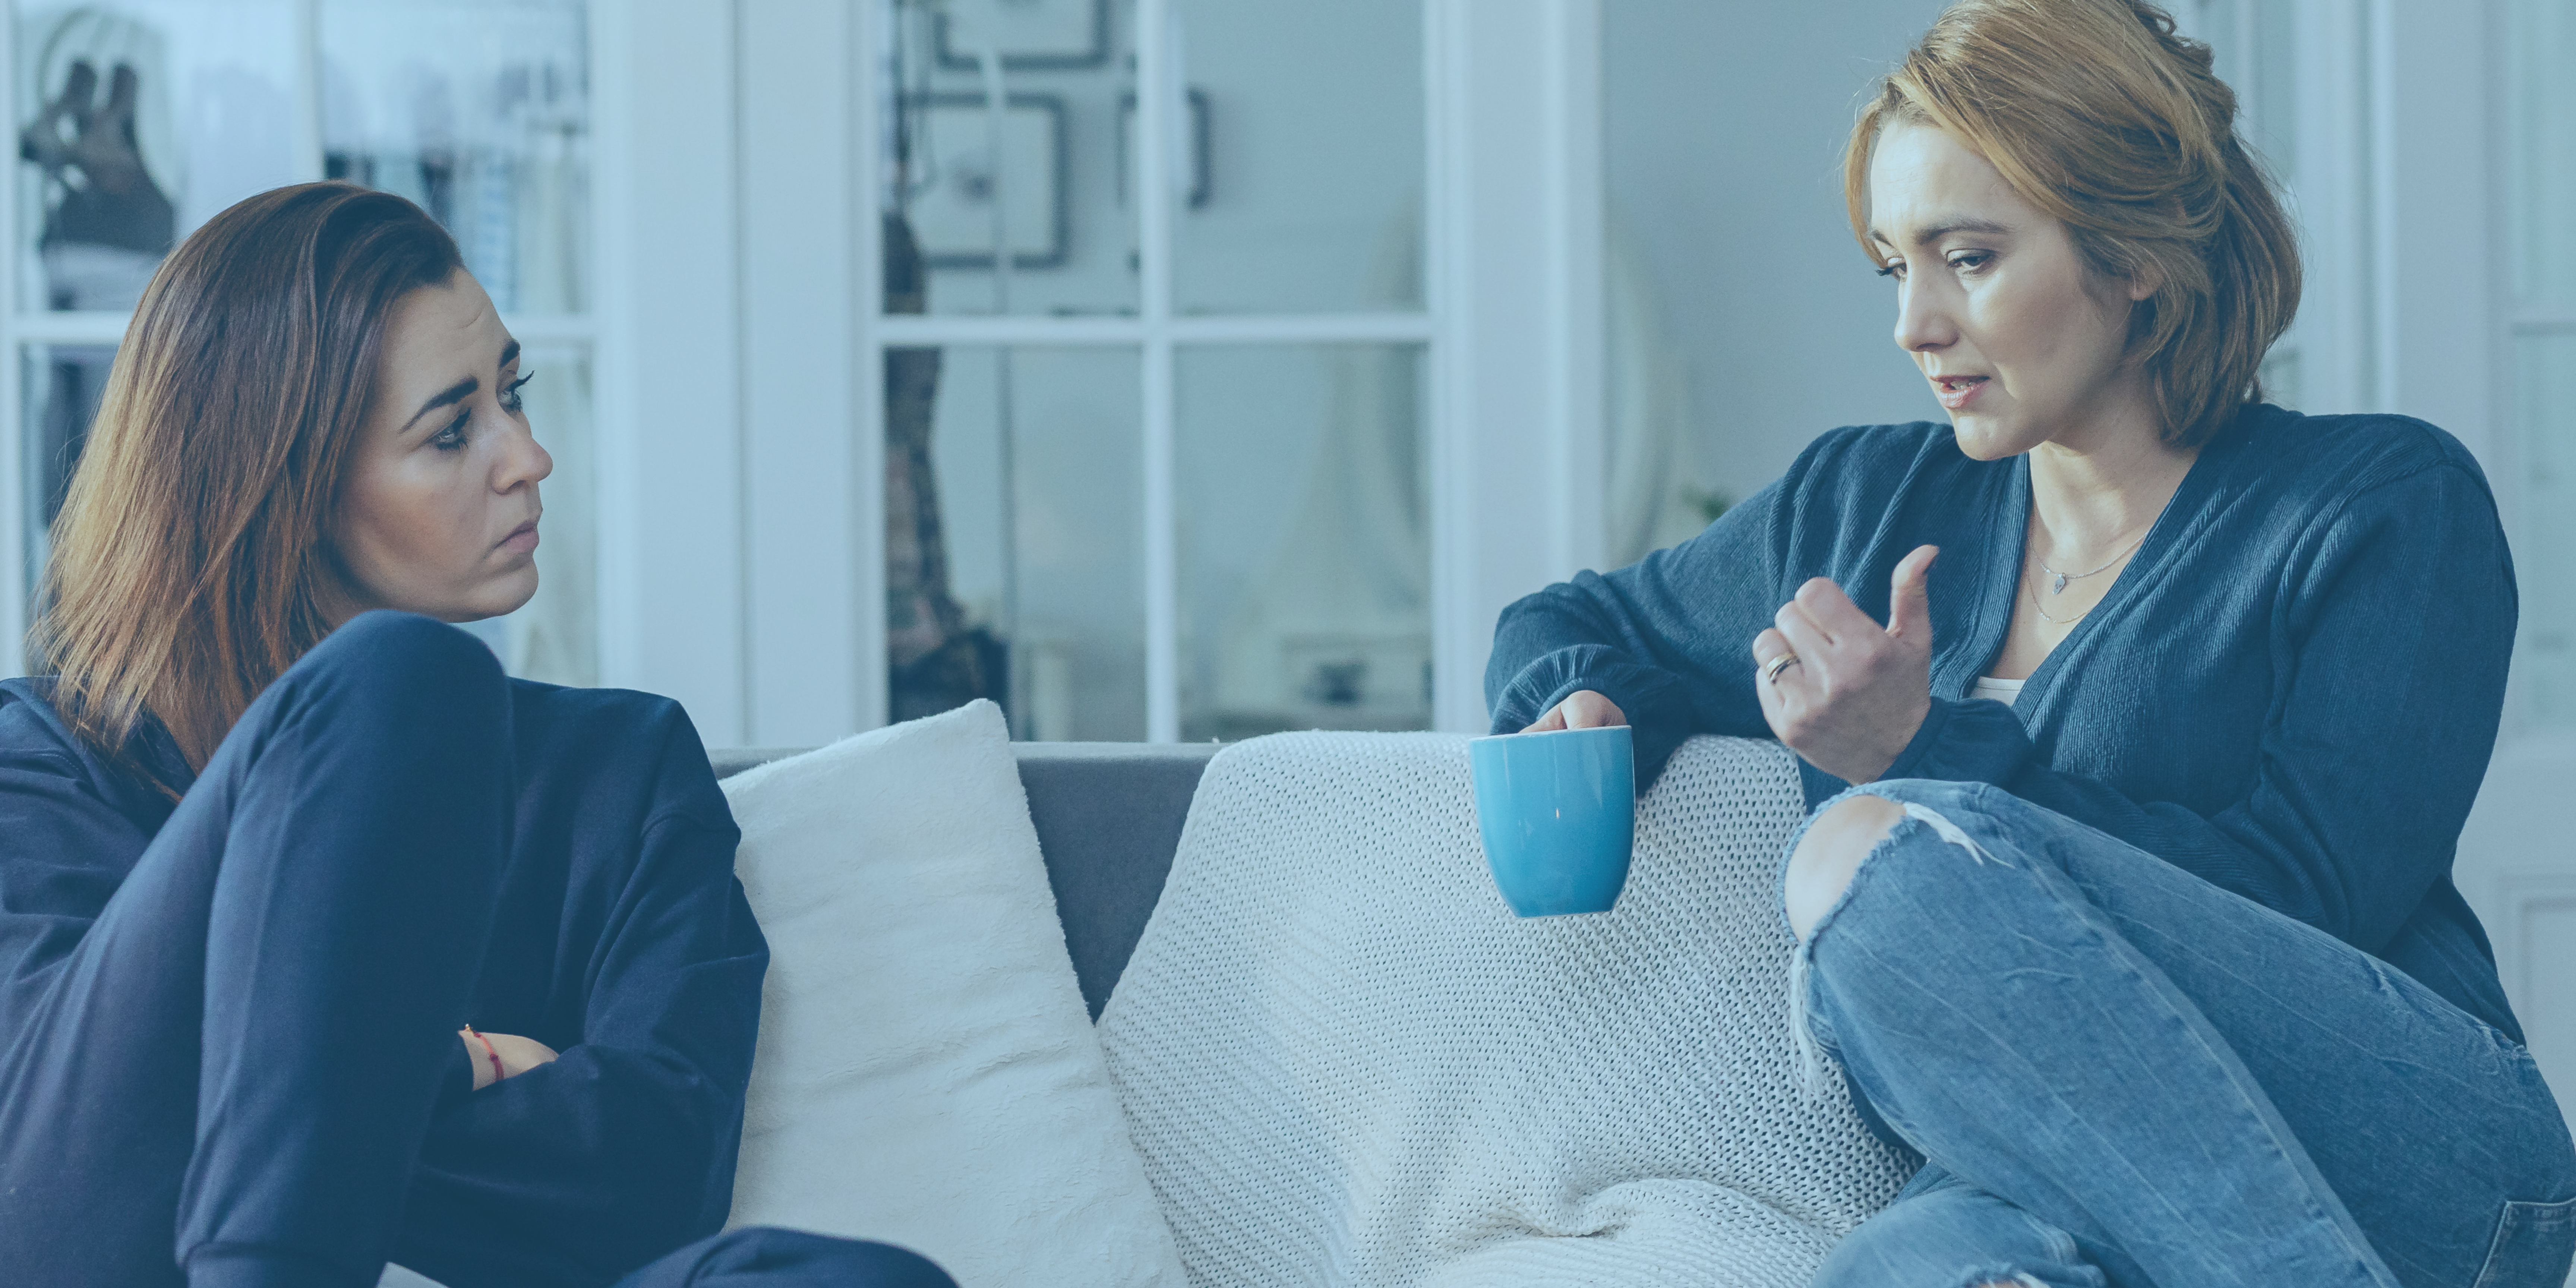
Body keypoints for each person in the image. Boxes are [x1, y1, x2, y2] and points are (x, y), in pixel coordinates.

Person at [1486, 2, 2576, 1284]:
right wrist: (1586, 704)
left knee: (1867, 856)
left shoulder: (2380, 503)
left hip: (2415, 1147)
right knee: (1910, 1271)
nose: (1916, 324)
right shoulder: (1858, 503)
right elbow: (1567, 624)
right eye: (1896, 265)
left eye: (1971, 257)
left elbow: (2310, 905)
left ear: (2135, 255)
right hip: (2027, 1164)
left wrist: (1924, 753)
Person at [0, 182, 953, 1288]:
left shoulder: (626, 771)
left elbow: (645, 1188)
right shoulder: (48, 763)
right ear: (287, 488)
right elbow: (54, 1182)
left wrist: (272, 1105)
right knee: (402, 681)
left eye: (515, 393)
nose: (529, 457)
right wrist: (465, 1064)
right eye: (453, 432)